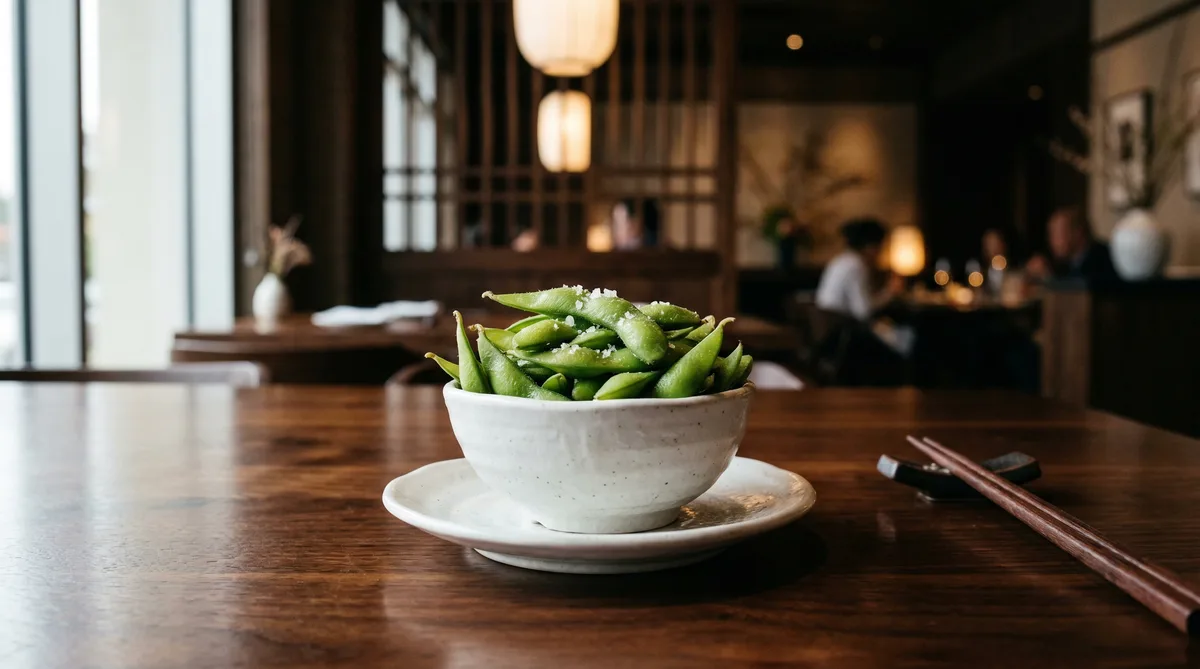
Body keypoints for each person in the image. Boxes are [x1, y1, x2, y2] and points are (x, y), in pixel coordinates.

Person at [816, 218, 912, 359]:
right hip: (844, 337)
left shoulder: (841, 261)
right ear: (870, 246)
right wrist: (890, 292)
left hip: (830, 332)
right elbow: (863, 311)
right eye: (880, 247)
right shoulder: (856, 265)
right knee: (907, 338)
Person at [1026, 207, 1118, 282]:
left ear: (1078, 233)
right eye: (1050, 235)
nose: (1052, 241)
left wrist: (1048, 279)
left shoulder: (1103, 258)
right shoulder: (1069, 263)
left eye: (1057, 234)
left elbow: (1082, 291)